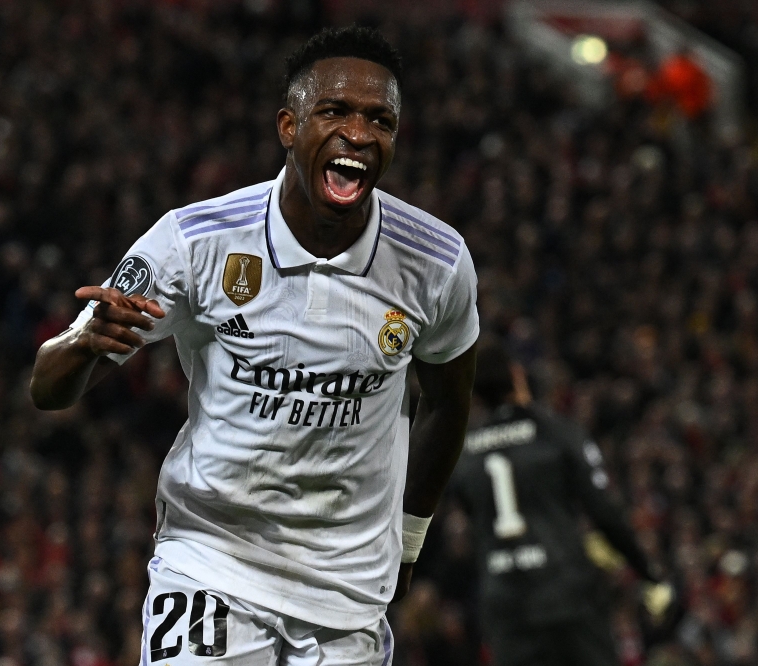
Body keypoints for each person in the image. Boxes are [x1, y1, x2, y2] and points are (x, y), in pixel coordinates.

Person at [29, 26, 479, 665]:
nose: (358, 132)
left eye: (380, 119)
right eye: (335, 111)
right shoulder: (194, 242)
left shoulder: (435, 262)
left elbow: (448, 401)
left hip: (347, 590)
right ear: (288, 127)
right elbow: (47, 388)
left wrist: (408, 541)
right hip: (213, 560)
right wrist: (83, 346)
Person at [450, 340, 672, 666]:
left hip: (506, 604)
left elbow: (469, 514)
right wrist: (647, 573)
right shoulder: (555, 432)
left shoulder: (465, 453)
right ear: (517, 376)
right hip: (565, 594)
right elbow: (604, 512)